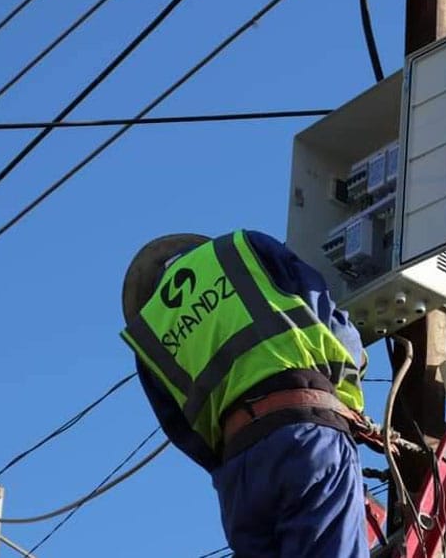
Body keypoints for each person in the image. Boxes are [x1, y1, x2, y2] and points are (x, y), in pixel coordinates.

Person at [119, 229, 369, 557]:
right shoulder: (241, 249)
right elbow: (328, 316)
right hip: (307, 436)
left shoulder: (148, 335)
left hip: (240, 476)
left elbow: (185, 434)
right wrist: (350, 387)